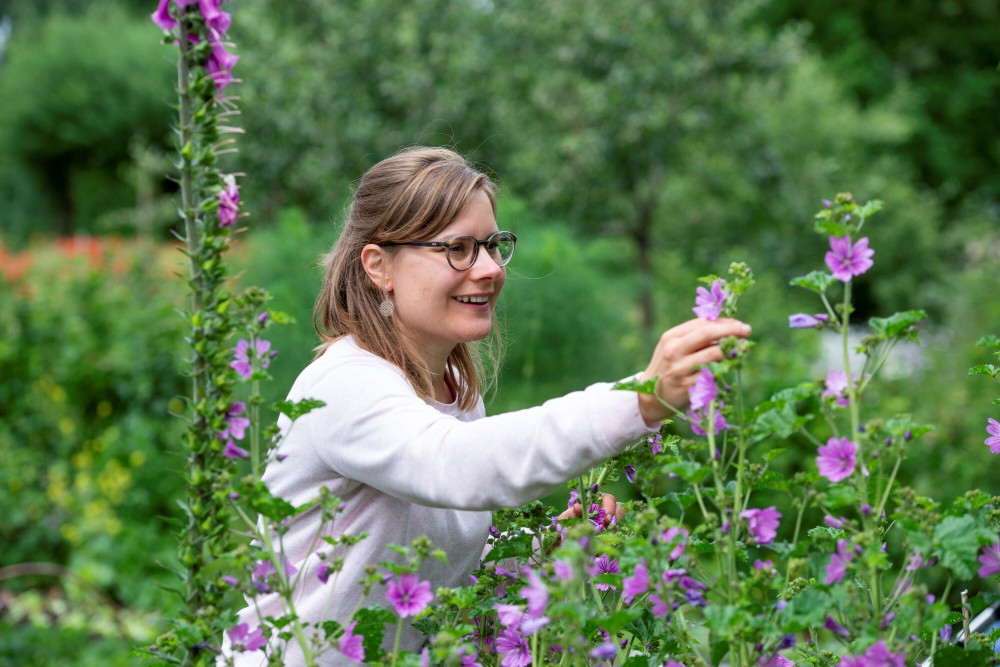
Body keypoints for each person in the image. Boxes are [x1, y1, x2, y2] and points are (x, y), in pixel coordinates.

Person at [225, 146, 750, 665]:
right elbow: (459, 465)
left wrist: (547, 544)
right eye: (457, 248)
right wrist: (641, 398)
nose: (489, 269)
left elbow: (446, 557)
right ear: (379, 265)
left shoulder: (454, 391)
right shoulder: (344, 385)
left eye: (493, 245)